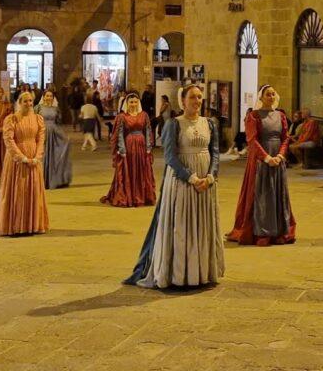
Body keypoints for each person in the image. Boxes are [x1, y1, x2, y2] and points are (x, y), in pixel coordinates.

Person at [124, 84, 224, 288]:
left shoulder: (210, 123)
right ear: (183, 101)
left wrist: (211, 176)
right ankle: (180, 273)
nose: (197, 101)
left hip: (206, 183)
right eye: (192, 98)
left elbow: (215, 152)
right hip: (182, 182)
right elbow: (170, 156)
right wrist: (192, 178)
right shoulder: (174, 124)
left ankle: (201, 271)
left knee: (202, 225)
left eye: (199, 97)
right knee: (182, 225)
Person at [226, 84, 296, 246]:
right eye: (267, 94)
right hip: (260, 159)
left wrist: (280, 155)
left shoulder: (281, 115)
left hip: (277, 158)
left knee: (277, 193)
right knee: (262, 194)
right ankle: (262, 231)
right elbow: (252, 139)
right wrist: (266, 158)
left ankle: (279, 230)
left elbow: (285, 137)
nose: (271, 97)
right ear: (261, 97)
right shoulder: (254, 116)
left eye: (273, 94)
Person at [0, 91, 48, 236]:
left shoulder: (38, 119)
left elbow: (41, 139)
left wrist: (37, 156)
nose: (28, 104)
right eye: (25, 101)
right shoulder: (11, 119)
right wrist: (21, 157)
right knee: (17, 190)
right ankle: (15, 225)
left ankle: (32, 224)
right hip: (16, 160)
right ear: (19, 102)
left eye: (30, 101)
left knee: (32, 189)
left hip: (33, 159)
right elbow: (9, 140)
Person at [100, 92, 156, 207]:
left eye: (135, 102)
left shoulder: (144, 115)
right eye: (131, 102)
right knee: (128, 170)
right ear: (127, 103)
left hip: (141, 145)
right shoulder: (122, 117)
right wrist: (122, 148)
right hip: (129, 145)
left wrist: (148, 146)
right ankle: (128, 196)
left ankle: (141, 196)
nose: (133, 104)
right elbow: (119, 133)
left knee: (141, 170)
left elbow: (147, 130)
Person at [35, 90, 72, 189]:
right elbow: (34, 121)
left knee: (54, 155)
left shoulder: (56, 109)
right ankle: (41, 180)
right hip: (42, 132)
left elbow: (58, 123)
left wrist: (64, 136)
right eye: (47, 96)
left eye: (51, 96)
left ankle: (54, 179)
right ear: (43, 97)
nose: (49, 98)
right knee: (43, 156)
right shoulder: (38, 108)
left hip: (54, 132)